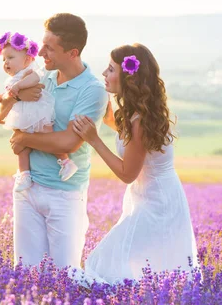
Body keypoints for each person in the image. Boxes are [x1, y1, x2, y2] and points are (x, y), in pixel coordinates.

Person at [71, 43, 199, 285]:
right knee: (137, 268)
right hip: (152, 197)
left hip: (157, 203)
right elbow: (120, 130)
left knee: (109, 263)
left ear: (128, 77)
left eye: (110, 70)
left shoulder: (139, 120)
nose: (104, 74)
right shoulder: (138, 114)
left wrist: (94, 140)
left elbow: (127, 173)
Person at [3, 13, 109, 268]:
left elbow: (68, 143)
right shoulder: (42, 77)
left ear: (72, 53)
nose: (41, 53)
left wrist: (25, 138)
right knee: (26, 273)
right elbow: (11, 112)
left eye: (50, 48)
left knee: (65, 275)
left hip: (65, 193)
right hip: (28, 188)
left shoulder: (92, 90)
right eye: (43, 45)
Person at [0, 32, 79, 191]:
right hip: (23, 117)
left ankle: (66, 162)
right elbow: (9, 97)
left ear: (27, 59)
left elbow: (34, 80)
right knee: (21, 147)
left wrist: (19, 87)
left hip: (37, 114)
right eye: (4, 59)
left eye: (10, 58)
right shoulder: (12, 79)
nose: (6, 62)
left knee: (47, 136)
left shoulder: (29, 72)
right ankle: (24, 174)